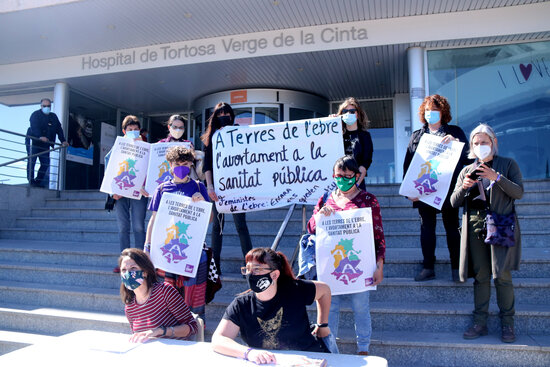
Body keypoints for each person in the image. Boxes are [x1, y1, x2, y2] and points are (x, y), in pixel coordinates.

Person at [450, 123, 523, 343]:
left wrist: (496, 177)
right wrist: (464, 186)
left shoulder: (507, 164)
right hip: (475, 225)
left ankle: (507, 324)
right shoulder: (467, 169)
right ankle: (479, 322)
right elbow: (454, 202)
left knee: (501, 275)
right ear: (471, 146)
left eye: (484, 142)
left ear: (493, 142)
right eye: (476, 143)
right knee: (481, 276)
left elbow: (518, 192)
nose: (481, 146)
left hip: (500, 222)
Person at [307, 156, 385, 355]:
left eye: (347, 176)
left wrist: (380, 265)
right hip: (331, 265)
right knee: (329, 309)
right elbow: (310, 228)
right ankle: (329, 349)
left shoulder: (368, 200)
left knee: (361, 307)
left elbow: (378, 235)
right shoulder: (326, 199)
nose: (342, 179)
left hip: (359, 263)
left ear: (357, 176)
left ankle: (363, 349)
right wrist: (318, 217)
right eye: (338, 176)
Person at [212, 248, 333, 364]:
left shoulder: (295, 289)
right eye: (247, 269)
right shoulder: (241, 305)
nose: (250, 274)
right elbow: (219, 339)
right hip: (268, 363)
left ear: (274, 275)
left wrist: (322, 325)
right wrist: (248, 353)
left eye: (257, 269)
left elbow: (325, 291)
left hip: (309, 359)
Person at [403, 94, 469, 282]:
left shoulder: (455, 132)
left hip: (448, 188)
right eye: (427, 110)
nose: (431, 114)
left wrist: (457, 144)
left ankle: (457, 268)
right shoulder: (417, 136)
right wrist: (409, 191)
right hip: (424, 187)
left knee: (452, 228)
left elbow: (468, 157)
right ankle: (428, 267)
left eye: (435, 110)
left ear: (443, 112)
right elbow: (408, 165)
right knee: (427, 228)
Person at [144, 145, 210, 319]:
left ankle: (194, 325)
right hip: (167, 247)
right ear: (170, 165)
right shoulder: (161, 189)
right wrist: (147, 247)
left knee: (194, 293)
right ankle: (169, 322)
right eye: (178, 163)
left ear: (191, 165)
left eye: (187, 163)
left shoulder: (199, 187)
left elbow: (209, 220)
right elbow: (154, 220)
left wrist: (202, 203)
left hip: (192, 249)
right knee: (167, 292)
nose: (182, 167)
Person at [201, 102, 252, 271]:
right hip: (217, 187)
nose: (224, 117)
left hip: (237, 186)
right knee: (218, 226)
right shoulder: (210, 137)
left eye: (227, 114)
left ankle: (250, 263)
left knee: (241, 225)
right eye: (220, 114)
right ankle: (215, 266)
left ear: (232, 116)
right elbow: (207, 165)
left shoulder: (239, 133)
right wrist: (210, 187)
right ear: (215, 117)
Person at [119, 248, 198, 342]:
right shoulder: (129, 307)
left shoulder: (164, 291)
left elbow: (192, 327)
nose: (128, 274)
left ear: (145, 272)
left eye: (133, 268)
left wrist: (160, 331)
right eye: (124, 270)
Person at [105, 115, 149, 272]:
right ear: (124, 131)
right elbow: (108, 165)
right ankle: (123, 263)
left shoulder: (146, 147)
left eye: (136, 130)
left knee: (138, 227)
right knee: (123, 227)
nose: (133, 132)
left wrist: (147, 185)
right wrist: (112, 192)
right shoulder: (118, 146)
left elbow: (151, 169)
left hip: (138, 193)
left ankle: (141, 262)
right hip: (120, 194)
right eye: (130, 130)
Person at [27, 98, 69, 187]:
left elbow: (59, 129)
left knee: (45, 163)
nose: (46, 107)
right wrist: (39, 136)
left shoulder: (53, 117)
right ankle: (31, 181)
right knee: (32, 162)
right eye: (44, 106)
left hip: (45, 145)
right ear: (41, 106)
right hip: (35, 143)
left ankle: (37, 182)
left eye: (48, 106)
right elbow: (34, 127)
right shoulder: (35, 115)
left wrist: (63, 140)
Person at [334, 97, 373, 190]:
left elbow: (365, 163)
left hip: (356, 184)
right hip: (338, 183)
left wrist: (354, 185)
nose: (348, 114)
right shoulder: (337, 135)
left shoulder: (364, 136)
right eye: (345, 111)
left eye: (352, 111)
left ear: (358, 114)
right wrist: (332, 124)